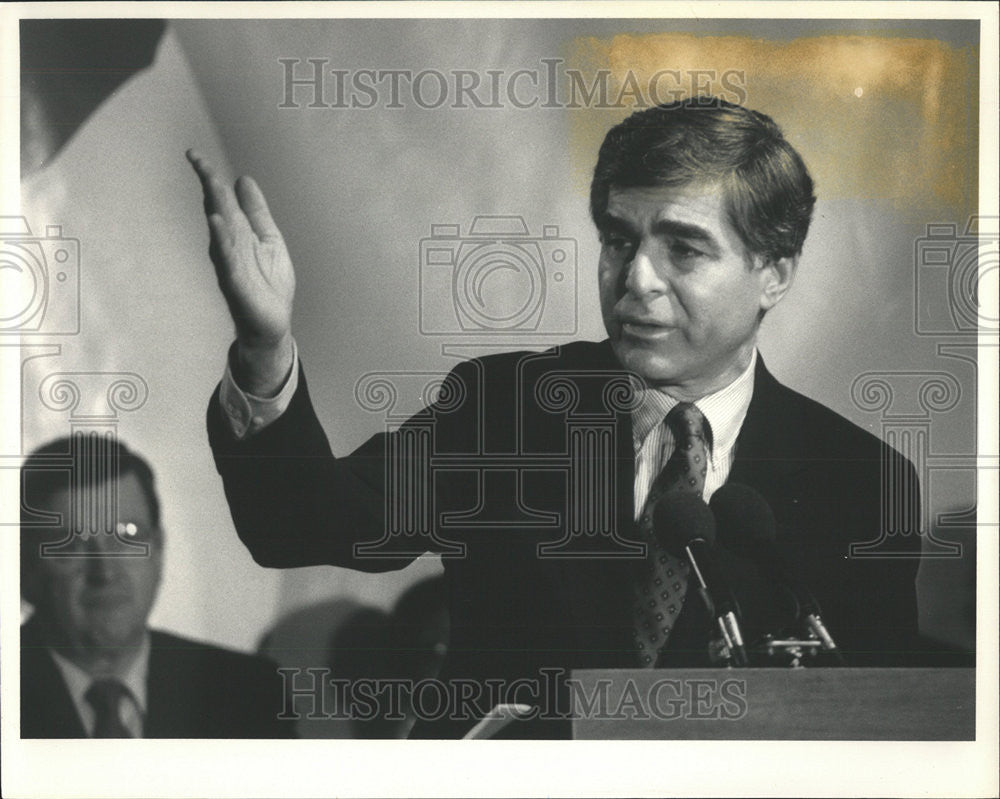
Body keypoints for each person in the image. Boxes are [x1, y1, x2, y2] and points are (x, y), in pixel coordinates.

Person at [189, 98, 935, 738]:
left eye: (683, 248)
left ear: (773, 271)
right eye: (619, 241)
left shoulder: (860, 482)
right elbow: (299, 522)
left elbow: (876, 733)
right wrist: (264, 349)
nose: (635, 279)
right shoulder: (507, 406)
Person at [19, 437, 295, 738]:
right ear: (25, 566)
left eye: (129, 535)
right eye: (70, 544)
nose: (105, 572)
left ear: (159, 549)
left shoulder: (248, 691)